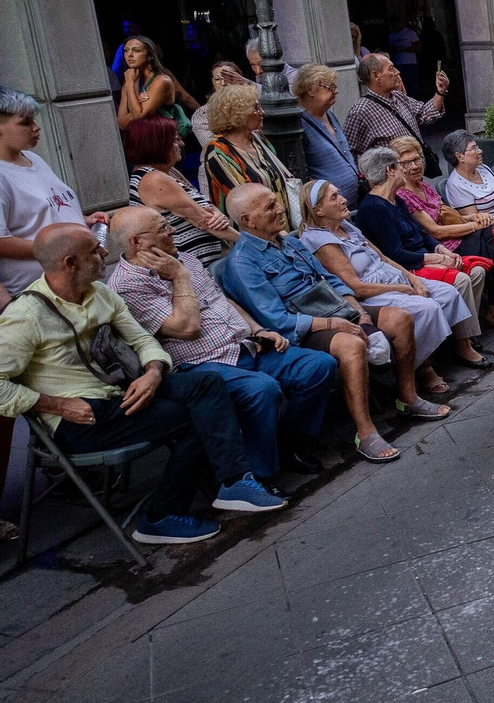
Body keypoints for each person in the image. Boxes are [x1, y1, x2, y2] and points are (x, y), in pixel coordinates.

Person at [0, 224, 282, 545]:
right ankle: (161, 516)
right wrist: (56, 405)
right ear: (70, 263)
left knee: (206, 384)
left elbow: (143, 339)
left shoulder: (100, 293)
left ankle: (234, 482)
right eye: (95, 250)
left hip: (123, 391)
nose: (105, 254)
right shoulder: (25, 315)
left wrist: (153, 371)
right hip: (80, 417)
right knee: (197, 416)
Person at [106, 207, 337, 480]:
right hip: (202, 366)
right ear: (137, 242)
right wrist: (179, 277)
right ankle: (261, 474)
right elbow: (187, 329)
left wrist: (258, 329)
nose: (174, 231)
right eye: (163, 228)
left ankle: (286, 442)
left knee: (319, 366)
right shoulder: (127, 285)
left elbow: (221, 300)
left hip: (245, 346)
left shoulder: (183, 258)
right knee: (262, 389)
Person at [223, 184, 409, 462]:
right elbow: (276, 319)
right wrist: (330, 323)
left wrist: (357, 310)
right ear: (248, 220)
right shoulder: (241, 263)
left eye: (277, 202)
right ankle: (366, 432)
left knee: (401, 318)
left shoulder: (292, 242)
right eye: (270, 207)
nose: (280, 209)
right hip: (299, 330)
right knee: (351, 345)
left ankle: (408, 398)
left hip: (335, 308)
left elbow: (330, 280)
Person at [301, 180, 485, 374]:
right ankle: (422, 369)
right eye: (334, 197)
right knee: (426, 308)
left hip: (393, 279)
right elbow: (357, 288)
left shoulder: (346, 226)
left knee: (448, 293)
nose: (343, 199)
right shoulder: (320, 241)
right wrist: (403, 288)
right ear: (318, 210)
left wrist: (412, 279)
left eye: (339, 193)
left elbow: (383, 258)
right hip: (373, 293)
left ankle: (459, 348)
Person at [360, 141, 494, 328]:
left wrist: (444, 252)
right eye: (401, 164)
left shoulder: (395, 199)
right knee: (465, 274)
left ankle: (468, 329)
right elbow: (395, 255)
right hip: (409, 267)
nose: (407, 169)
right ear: (390, 171)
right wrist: (437, 258)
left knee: (478, 267)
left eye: (416, 160)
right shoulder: (376, 208)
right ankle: (465, 336)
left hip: (429, 252)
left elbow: (423, 234)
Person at [0, 89, 106, 300]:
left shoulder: (34, 159)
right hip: (42, 291)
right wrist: (64, 250)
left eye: (34, 120)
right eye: (25, 122)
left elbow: (45, 212)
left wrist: (84, 222)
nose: (36, 127)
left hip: (75, 282)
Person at [124, 116, 236, 266]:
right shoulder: (154, 179)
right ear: (157, 144)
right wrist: (253, 243)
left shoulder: (168, 173)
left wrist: (216, 214)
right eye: (175, 140)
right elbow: (203, 220)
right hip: (195, 266)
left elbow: (203, 206)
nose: (182, 144)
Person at [200, 82, 294, 219]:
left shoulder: (258, 140)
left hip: (281, 221)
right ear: (237, 113)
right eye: (256, 108)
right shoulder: (218, 152)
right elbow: (242, 200)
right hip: (253, 228)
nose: (262, 112)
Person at [343, 52, 451, 160]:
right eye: (391, 69)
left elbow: (425, 113)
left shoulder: (399, 97)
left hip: (415, 170)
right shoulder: (360, 112)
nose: (397, 72)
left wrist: (440, 92)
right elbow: (350, 154)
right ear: (376, 76)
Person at [293, 64, 360, 205]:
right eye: (330, 87)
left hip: (351, 201)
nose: (336, 91)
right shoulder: (300, 123)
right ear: (311, 90)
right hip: (329, 206)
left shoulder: (329, 114)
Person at [116, 35, 193, 138]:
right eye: (126, 50)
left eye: (136, 50)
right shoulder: (130, 81)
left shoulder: (162, 81)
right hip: (144, 142)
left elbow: (139, 116)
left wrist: (130, 85)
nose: (129, 55)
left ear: (150, 56)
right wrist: (139, 103)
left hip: (166, 142)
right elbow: (121, 124)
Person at [443, 129, 494, 221]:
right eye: (474, 148)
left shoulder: (483, 169)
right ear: (460, 156)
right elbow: (478, 222)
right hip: (491, 228)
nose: (480, 151)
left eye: (477, 147)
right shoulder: (456, 186)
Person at [386, 15, 421, 95]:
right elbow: (390, 48)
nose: (396, 27)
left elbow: (417, 47)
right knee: (401, 84)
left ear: (401, 24)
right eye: (394, 25)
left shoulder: (410, 33)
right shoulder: (392, 35)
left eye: (397, 24)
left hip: (411, 63)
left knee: (413, 85)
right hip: (398, 63)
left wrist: (404, 49)